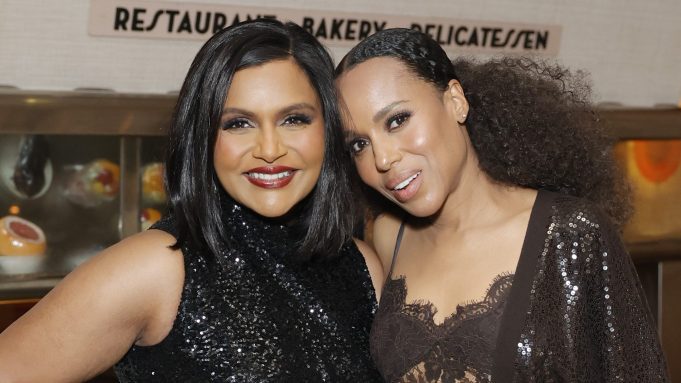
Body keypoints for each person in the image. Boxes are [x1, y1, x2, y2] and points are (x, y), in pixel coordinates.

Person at [0, 19, 384, 382]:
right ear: (203, 138)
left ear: (329, 129)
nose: (270, 149)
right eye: (238, 123)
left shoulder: (363, 266)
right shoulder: (157, 267)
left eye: (294, 119)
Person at [335, 28, 669, 382]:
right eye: (359, 144)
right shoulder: (388, 237)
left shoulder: (569, 233)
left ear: (455, 101)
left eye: (398, 120)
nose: (383, 158)